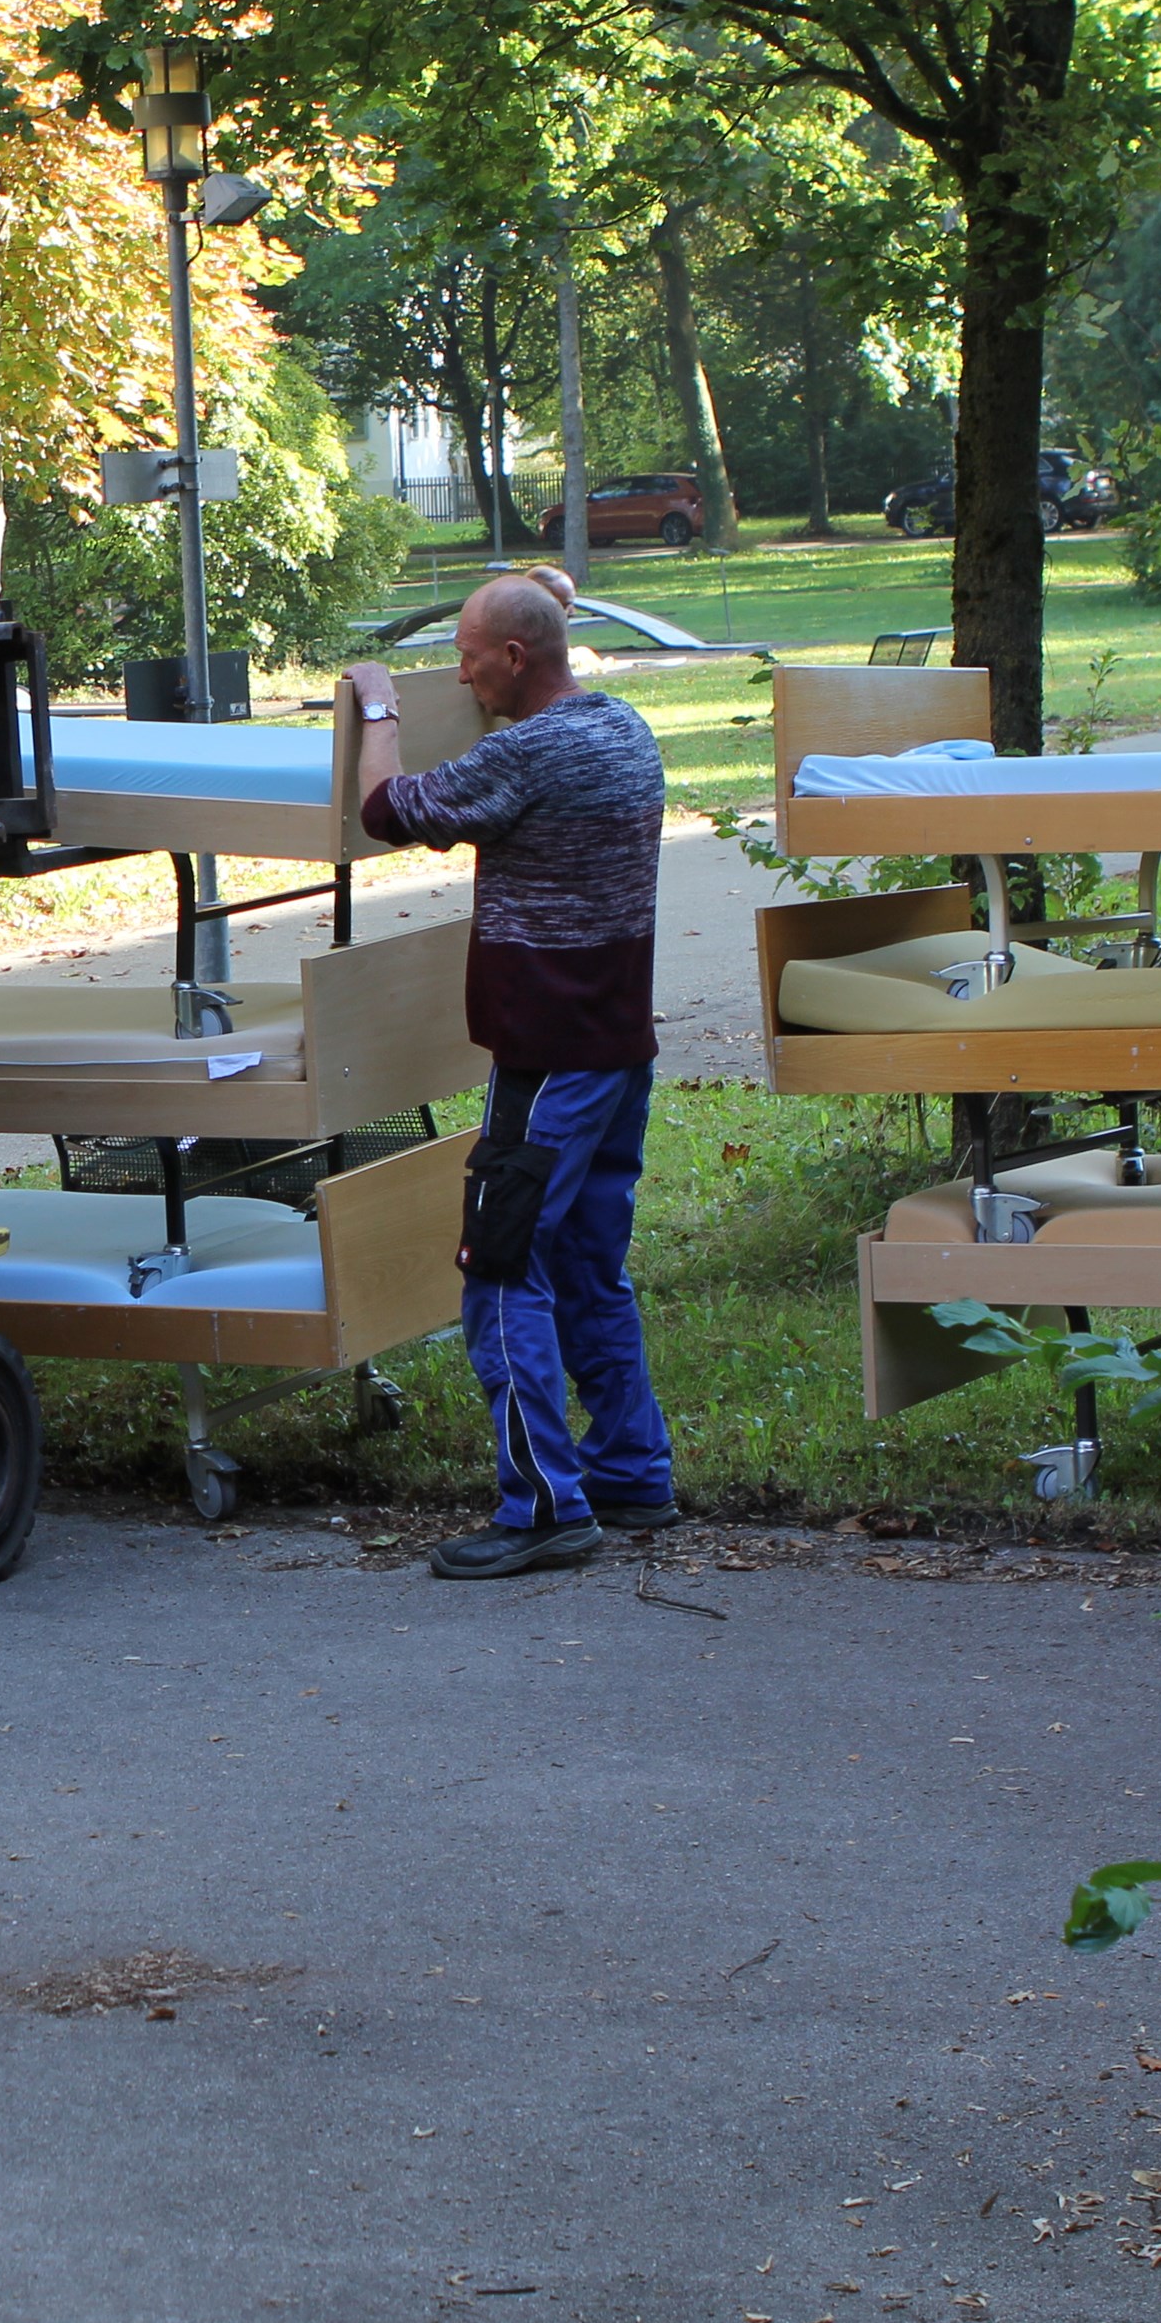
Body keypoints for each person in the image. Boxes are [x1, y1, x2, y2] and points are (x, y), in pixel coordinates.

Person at [345, 571, 674, 1578]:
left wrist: (377, 704)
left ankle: (541, 1507)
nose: (460, 667)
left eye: (469, 651)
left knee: (497, 1268)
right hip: (617, 1050)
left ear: (515, 659)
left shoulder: (525, 753)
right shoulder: (623, 730)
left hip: (547, 1059)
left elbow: (385, 807)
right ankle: (631, 1472)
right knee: (585, 1264)